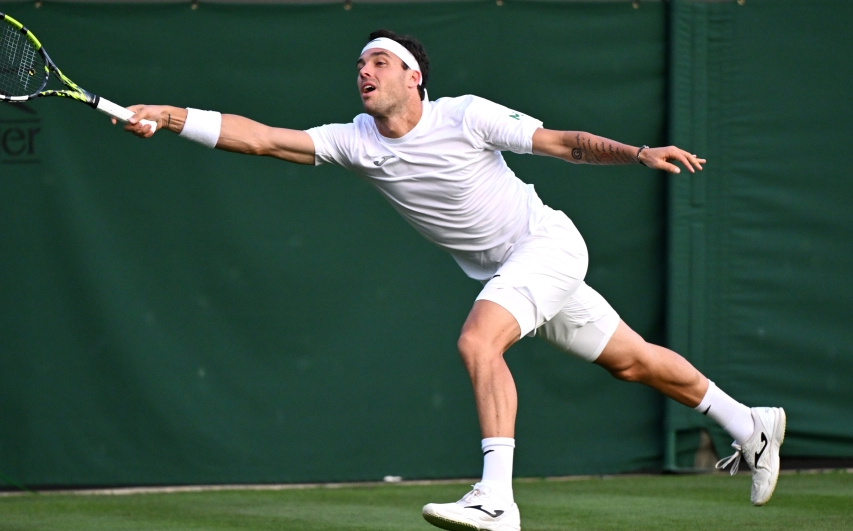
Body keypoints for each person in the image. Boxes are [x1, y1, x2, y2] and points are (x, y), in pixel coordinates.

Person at [115, 29, 785, 531]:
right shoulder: (357, 139)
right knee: (633, 362)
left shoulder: (466, 115)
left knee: (477, 341)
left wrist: (639, 152)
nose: (363, 73)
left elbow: (560, 142)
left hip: (547, 245)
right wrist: (171, 116)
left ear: (413, 76)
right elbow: (261, 138)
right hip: (513, 270)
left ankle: (498, 496)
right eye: (358, 66)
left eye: (377, 62)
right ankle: (749, 422)